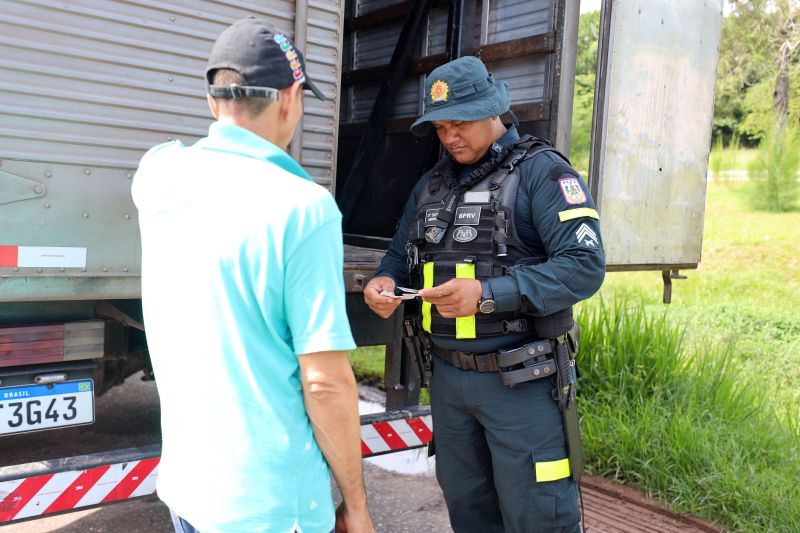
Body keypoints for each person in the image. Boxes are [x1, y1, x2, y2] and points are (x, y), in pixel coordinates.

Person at [133, 17, 374, 533]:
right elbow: (325, 383)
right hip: (271, 508)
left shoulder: (156, 175)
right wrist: (355, 504)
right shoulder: (305, 210)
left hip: (187, 492)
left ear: (212, 101)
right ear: (290, 99)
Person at [364, 56, 605, 533]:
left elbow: (585, 267)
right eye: (439, 128)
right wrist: (384, 282)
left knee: (540, 518)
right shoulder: (430, 185)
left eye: (460, 123)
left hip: (523, 384)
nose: (450, 137)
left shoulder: (544, 174)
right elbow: (398, 255)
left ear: (493, 111)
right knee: (469, 511)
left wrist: (489, 294)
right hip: (449, 382)